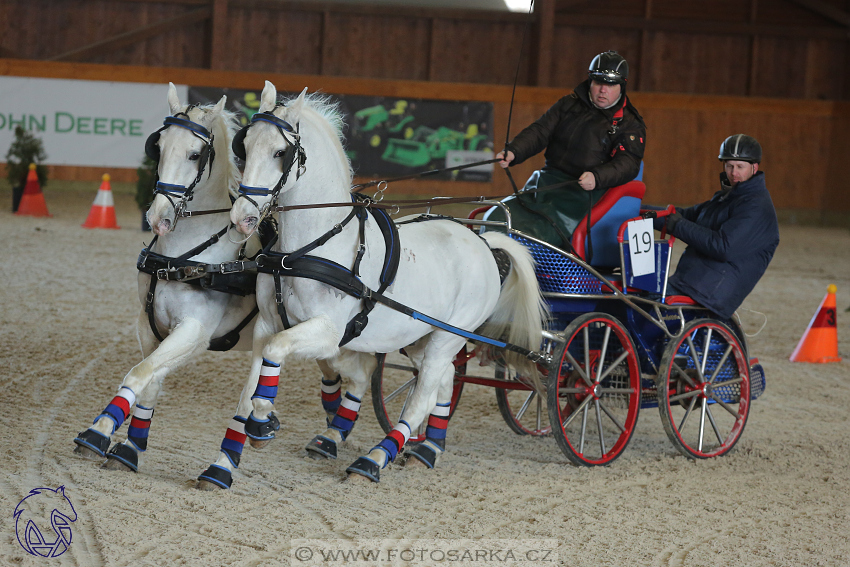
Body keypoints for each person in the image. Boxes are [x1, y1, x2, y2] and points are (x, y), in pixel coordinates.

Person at [487, 50, 646, 248]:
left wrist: (597, 177)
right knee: (495, 217)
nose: (603, 90)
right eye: (598, 83)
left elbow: (628, 163)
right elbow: (540, 131)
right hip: (545, 182)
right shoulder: (568, 104)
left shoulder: (630, 124)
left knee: (534, 233)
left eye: (610, 84)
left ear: (621, 86)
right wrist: (514, 151)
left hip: (584, 193)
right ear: (590, 81)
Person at [654, 134, 780, 319]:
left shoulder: (755, 206)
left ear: (754, 167)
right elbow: (685, 216)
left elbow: (723, 247)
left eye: (740, 167)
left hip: (710, 292)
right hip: (693, 282)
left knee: (645, 307)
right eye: (729, 166)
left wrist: (677, 225)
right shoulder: (728, 197)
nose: (733, 173)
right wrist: (639, 212)